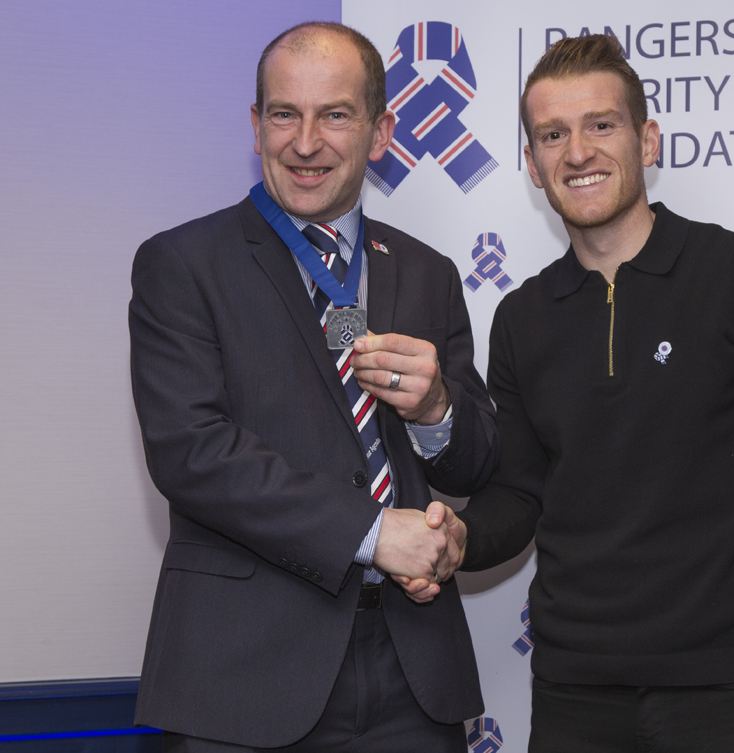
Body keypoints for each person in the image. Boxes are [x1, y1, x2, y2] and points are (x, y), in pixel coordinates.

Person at [405, 34, 734, 753]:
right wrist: (458, 540)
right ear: (533, 164)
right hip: (573, 695)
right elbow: (520, 496)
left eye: (601, 125)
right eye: (553, 135)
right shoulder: (522, 317)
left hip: (732, 692)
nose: (578, 152)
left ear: (647, 140)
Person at [128, 21, 498, 752]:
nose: (304, 143)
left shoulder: (427, 271)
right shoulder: (182, 264)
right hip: (242, 677)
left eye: (334, 115)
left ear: (380, 131)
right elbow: (191, 453)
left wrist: (436, 411)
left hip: (414, 674)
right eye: (283, 114)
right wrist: (373, 533)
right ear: (255, 125)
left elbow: (477, 465)